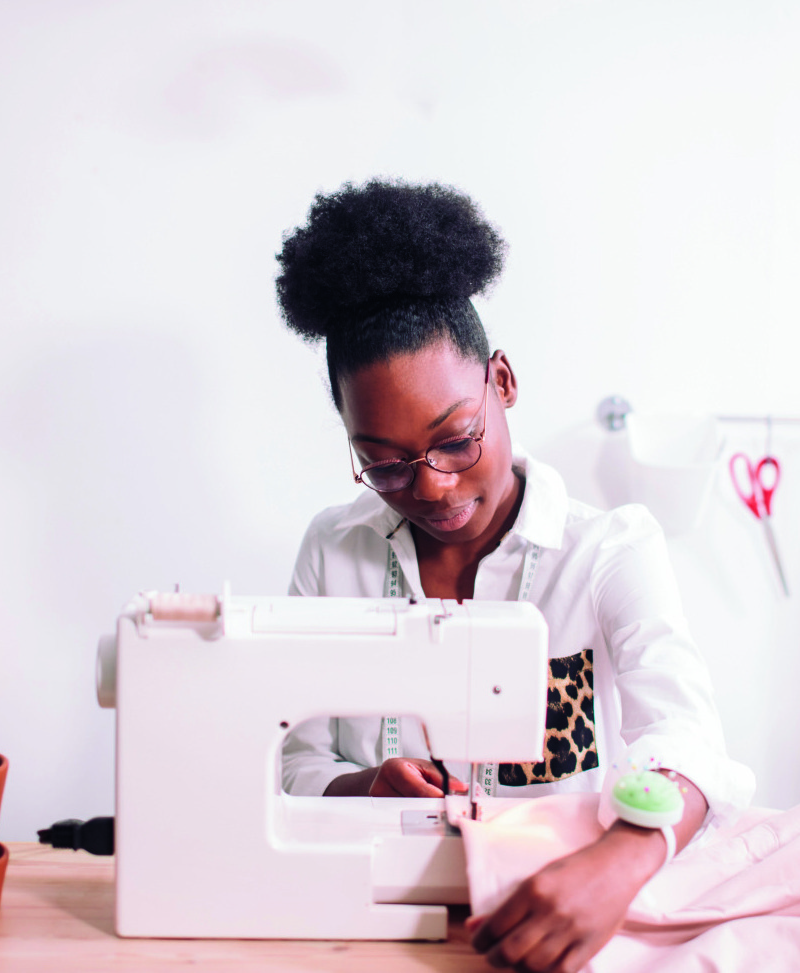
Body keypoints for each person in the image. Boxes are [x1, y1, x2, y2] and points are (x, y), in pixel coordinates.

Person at [275, 178, 754, 972]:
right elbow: (293, 756)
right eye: (386, 466)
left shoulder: (607, 552)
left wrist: (621, 860)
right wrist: (364, 786)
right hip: (378, 918)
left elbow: (690, 737)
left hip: (564, 911)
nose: (430, 485)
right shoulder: (335, 551)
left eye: (457, 439)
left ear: (502, 382)